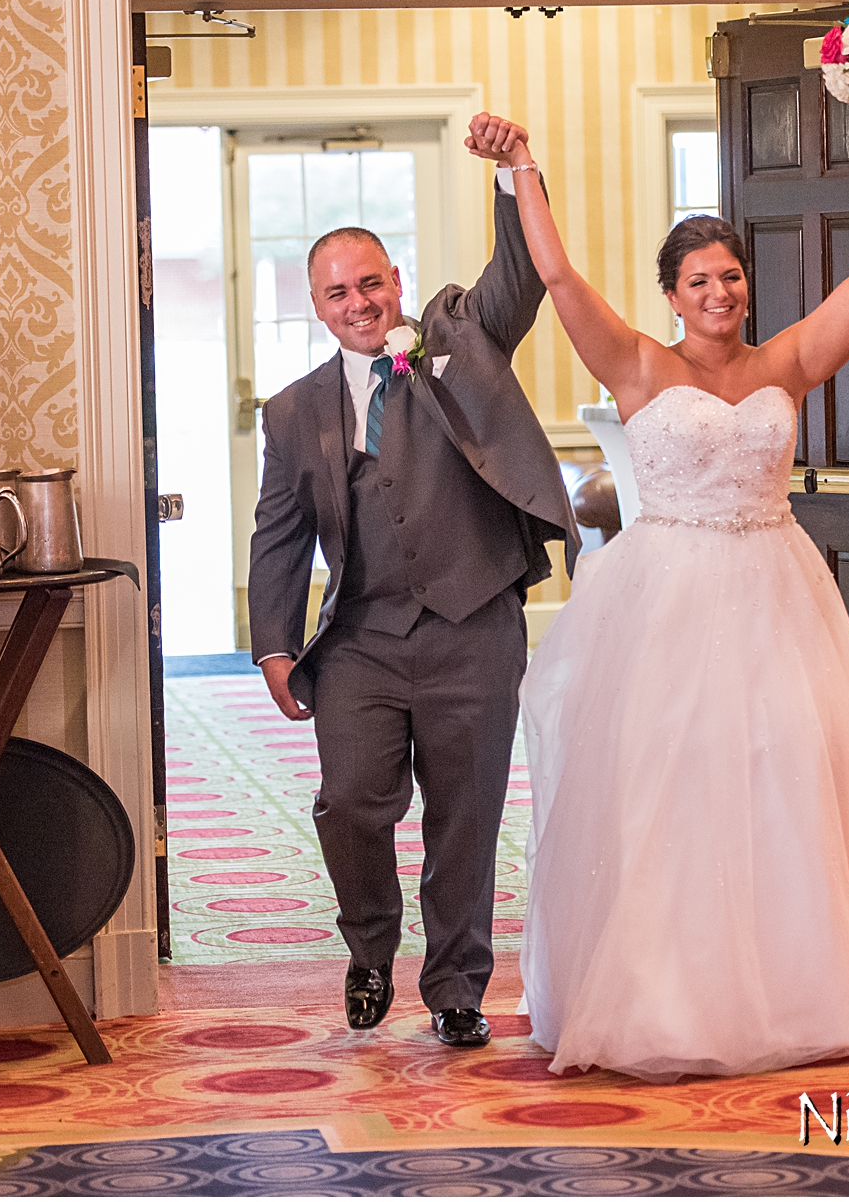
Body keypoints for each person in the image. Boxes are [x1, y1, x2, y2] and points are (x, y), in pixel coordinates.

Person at [470, 99, 849, 1081]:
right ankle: (660, 989)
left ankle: (789, 983)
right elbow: (554, 275)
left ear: (744, 286)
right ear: (671, 295)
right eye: (696, 279)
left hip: (773, 587)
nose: (716, 290)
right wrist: (523, 170)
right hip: (664, 594)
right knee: (664, 783)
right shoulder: (637, 362)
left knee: (782, 771)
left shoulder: (786, 361)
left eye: (728, 275)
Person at [245, 114, 578, 1049]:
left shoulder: (458, 343)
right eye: (337, 291)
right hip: (359, 640)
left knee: (466, 818)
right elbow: (279, 538)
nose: (359, 301)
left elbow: (519, 280)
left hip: (473, 626)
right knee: (350, 802)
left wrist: (518, 170)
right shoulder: (295, 411)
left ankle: (458, 988)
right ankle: (369, 949)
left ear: (396, 281)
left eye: (371, 282)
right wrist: (274, 643)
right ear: (317, 304)